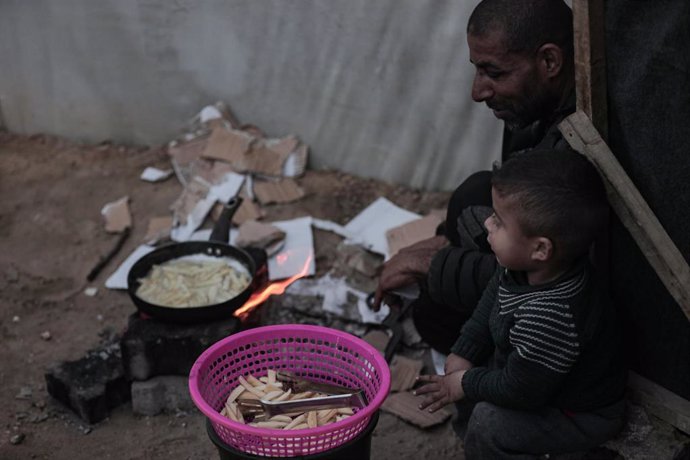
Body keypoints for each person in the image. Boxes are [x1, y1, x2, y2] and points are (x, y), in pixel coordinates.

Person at [372, 0, 578, 355]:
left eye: (494, 73)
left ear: (549, 62)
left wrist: (434, 265)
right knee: (473, 199)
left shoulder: (579, 151)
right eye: (477, 70)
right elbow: (505, 200)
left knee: (435, 311)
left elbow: (554, 278)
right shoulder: (533, 112)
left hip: (560, 312)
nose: (477, 91)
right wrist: (439, 245)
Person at [414, 149, 627, 459]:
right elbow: (492, 301)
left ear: (540, 248)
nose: (487, 224)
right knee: (464, 376)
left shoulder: (552, 316)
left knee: (488, 421)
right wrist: (464, 351)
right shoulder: (525, 266)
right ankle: (473, 441)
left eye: (499, 222)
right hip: (532, 379)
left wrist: (465, 382)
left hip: (575, 413)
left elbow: (521, 391)